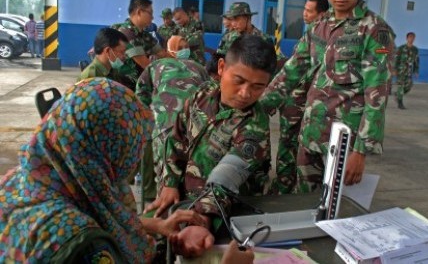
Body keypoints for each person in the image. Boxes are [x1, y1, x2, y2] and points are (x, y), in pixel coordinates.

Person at [0, 77, 255, 263]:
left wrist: (151, 225)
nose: (134, 163)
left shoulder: (15, 183)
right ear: (103, 151)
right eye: (131, 148)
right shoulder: (85, 246)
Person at [260, 0, 396, 193]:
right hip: (310, 134)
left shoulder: (375, 30)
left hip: (342, 142)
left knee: (334, 208)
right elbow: (292, 71)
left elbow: (376, 94)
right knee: (305, 201)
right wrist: (257, 106)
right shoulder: (319, 26)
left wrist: (360, 152)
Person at [144, 35, 277, 241]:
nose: (245, 93)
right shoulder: (202, 95)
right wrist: (169, 183)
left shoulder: (254, 126)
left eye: (257, 87)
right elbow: (177, 138)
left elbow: (226, 177)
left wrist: (203, 220)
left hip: (223, 213)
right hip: (184, 197)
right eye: (239, 81)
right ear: (222, 67)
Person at [262, 0, 329, 194]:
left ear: (321, 14)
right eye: (304, 9)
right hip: (294, 100)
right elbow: (293, 69)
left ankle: (290, 188)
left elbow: (306, 74)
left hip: (303, 103)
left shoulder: (324, 39)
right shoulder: (312, 34)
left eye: (309, 11)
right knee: (293, 146)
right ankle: (288, 184)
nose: (304, 14)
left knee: (296, 148)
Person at [136, 35, 210, 201]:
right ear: (170, 49)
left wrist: (148, 116)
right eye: (180, 46)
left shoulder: (156, 66)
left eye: (186, 45)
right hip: (191, 128)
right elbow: (210, 95)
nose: (184, 49)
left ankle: (165, 212)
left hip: (170, 129)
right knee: (193, 177)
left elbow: (140, 94)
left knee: (167, 184)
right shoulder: (198, 67)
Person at [111, 0, 169, 89]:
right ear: (139, 12)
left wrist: (181, 63)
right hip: (127, 87)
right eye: (150, 13)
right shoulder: (127, 33)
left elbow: (162, 54)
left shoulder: (144, 34)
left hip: (141, 83)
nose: (152, 17)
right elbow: (146, 65)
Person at [394, 32, 419, 109]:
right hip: (401, 70)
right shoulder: (401, 48)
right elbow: (396, 59)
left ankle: (398, 95)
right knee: (400, 86)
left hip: (409, 71)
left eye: (413, 37)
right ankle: (400, 103)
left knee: (409, 85)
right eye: (410, 37)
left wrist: (416, 70)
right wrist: (395, 69)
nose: (411, 39)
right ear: (407, 38)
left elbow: (416, 60)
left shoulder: (415, 49)